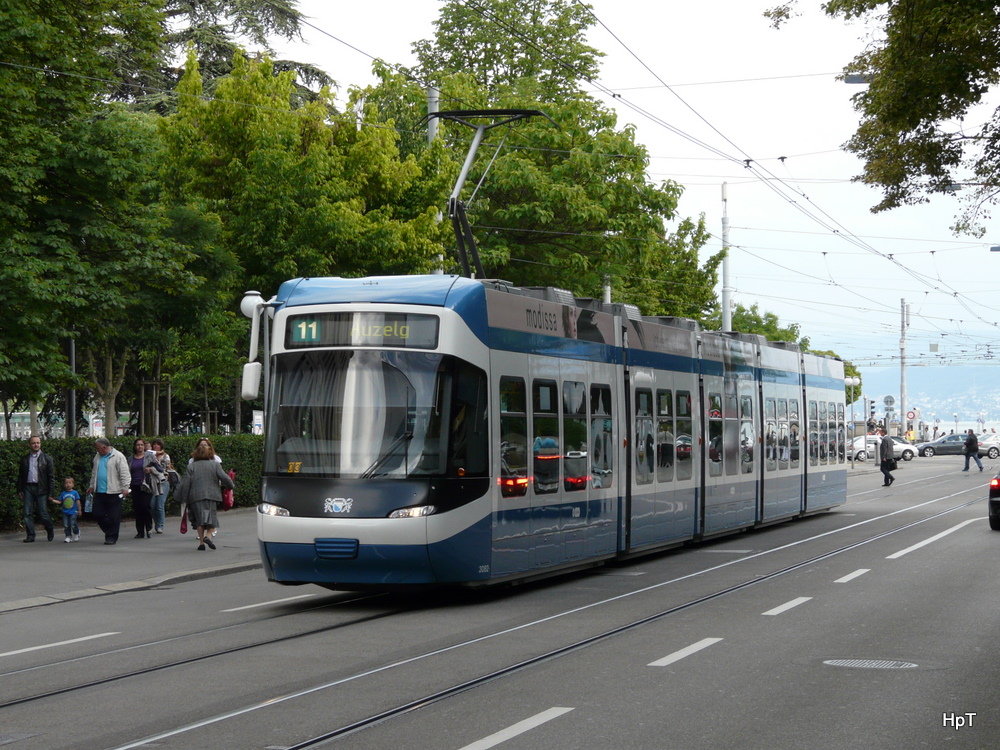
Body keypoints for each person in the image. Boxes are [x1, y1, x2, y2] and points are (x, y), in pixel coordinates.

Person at [174, 442, 234, 551]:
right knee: (211, 519)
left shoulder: (191, 466)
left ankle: (201, 543)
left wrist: (185, 498)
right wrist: (230, 486)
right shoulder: (215, 465)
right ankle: (208, 536)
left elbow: (186, 483)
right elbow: (224, 478)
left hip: (195, 496)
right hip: (211, 495)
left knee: (199, 520)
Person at [87, 437, 132, 545]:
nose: (96, 450)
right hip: (100, 491)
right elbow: (94, 473)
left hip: (114, 491)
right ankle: (110, 530)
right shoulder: (97, 457)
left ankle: (111, 537)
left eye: (98, 448)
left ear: (104, 447)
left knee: (114, 516)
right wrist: (92, 485)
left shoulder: (118, 456)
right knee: (98, 513)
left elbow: (124, 473)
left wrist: (125, 487)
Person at [16, 435, 56, 542]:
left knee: (42, 513)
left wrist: (51, 493)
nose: (36, 445)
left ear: (40, 444)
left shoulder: (47, 458)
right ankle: (31, 535)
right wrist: (20, 489)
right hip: (28, 487)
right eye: (33, 443)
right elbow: (21, 476)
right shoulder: (25, 459)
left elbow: (51, 477)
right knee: (27, 513)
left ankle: (49, 528)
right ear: (29, 445)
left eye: (38, 443)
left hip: (41, 488)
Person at [127, 438, 162, 539]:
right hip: (135, 485)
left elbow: (159, 467)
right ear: (135, 446)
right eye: (138, 445)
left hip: (147, 485)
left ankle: (149, 527)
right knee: (137, 508)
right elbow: (127, 470)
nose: (140, 447)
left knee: (145, 506)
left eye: (142, 445)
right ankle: (140, 531)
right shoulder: (131, 458)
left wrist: (150, 469)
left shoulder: (150, 456)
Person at [149, 438, 172, 534]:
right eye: (154, 444)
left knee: (159, 505)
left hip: (163, 482)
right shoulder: (149, 455)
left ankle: (160, 526)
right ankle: (156, 522)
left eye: (158, 444)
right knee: (152, 505)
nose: (156, 446)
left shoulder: (165, 456)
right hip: (153, 482)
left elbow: (167, 468)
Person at [56, 477, 81, 543]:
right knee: (66, 524)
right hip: (65, 512)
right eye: (66, 483)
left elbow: (78, 502)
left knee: (73, 523)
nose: (68, 484)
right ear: (64, 485)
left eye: (70, 483)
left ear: (73, 484)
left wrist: (79, 510)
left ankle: (76, 532)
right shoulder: (63, 493)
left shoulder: (75, 493)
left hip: (73, 511)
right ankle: (68, 536)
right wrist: (53, 500)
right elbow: (60, 501)